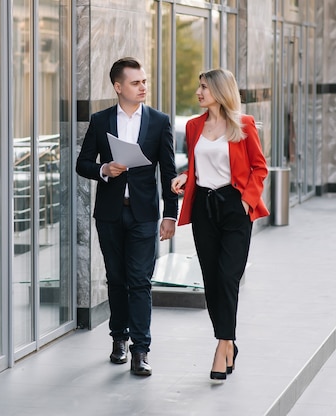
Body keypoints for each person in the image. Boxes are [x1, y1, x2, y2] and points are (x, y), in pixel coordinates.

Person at [76, 57, 178, 376]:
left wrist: (170, 216)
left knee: (140, 282)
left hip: (145, 215)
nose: (143, 87)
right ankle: (118, 339)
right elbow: (82, 163)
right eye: (136, 82)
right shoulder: (101, 119)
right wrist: (104, 169)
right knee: (116, 280)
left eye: (144, 81)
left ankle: (141, 350)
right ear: (118, 87)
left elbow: (169, 172)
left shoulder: (160, 121)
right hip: (109, 214)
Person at [171, 68, 269, 381]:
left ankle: (221, 345)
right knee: (212, 281)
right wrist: (186, 177)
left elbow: (259, 168)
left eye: (204, 87)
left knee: (228, 277)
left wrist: (244, 201)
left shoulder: (243, 125)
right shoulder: (193, 125)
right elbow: (198, 164)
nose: (199, 93)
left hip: (234, 208)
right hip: (203, 208)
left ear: (220, 90)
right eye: (199, 87)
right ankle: (229, 343)